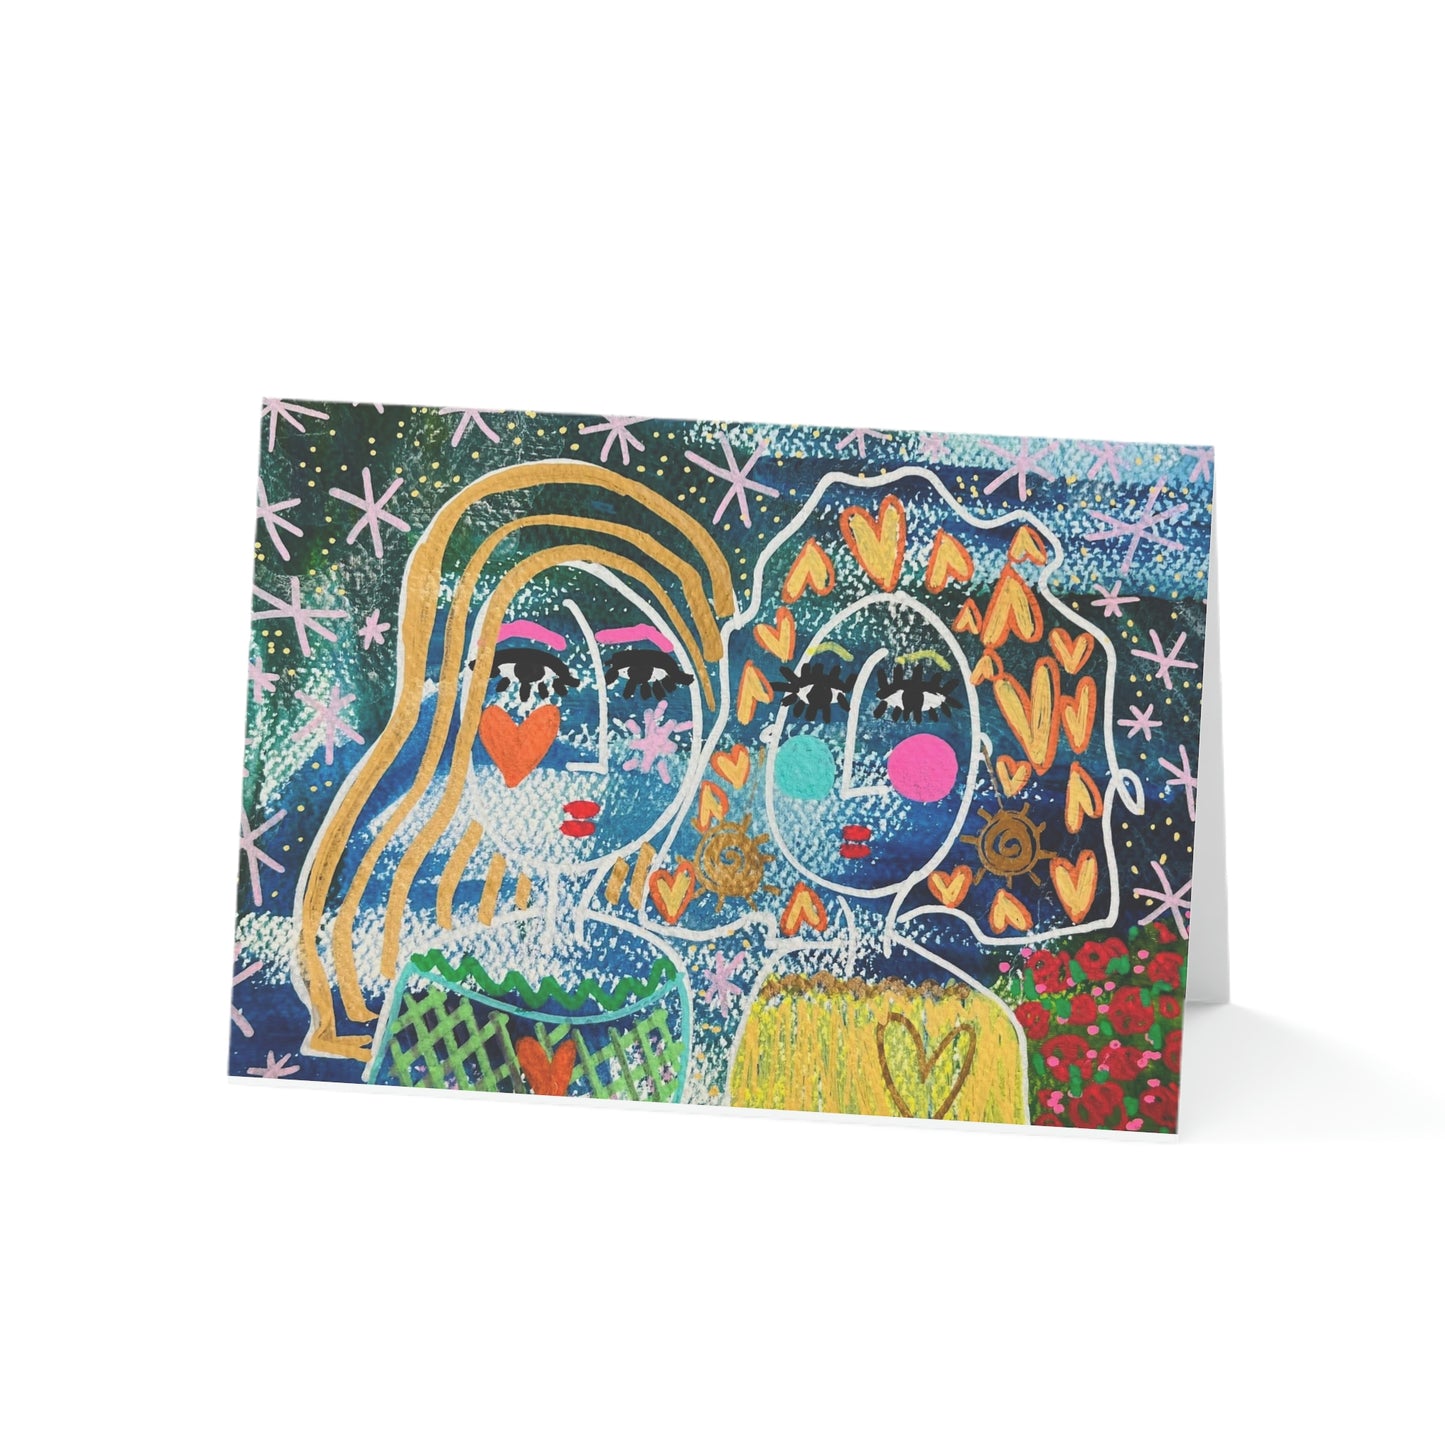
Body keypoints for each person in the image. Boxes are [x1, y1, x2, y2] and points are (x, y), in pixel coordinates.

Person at [292, 459, 735, 1102]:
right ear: (451, 700)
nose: (590, 752)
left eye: (644, 679)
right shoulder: (433, 976)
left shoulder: (663, 969)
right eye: (527, 678)